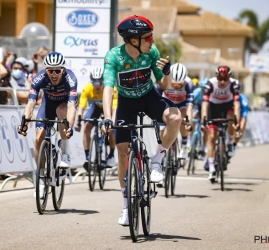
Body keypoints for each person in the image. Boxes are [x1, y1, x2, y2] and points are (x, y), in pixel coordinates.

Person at [101, 15, 181, 226]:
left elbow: (164, 86)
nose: (152, 41)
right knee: (122, 153)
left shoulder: (151, 53)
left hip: (149, 98)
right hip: (126, 104)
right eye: (148, 38)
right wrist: (108, 118)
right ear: (133, 40)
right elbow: (108, 89)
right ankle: (126, 206)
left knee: (175, 118)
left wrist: (167, 73)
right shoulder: (113, 57)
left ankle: (157, 161)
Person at [18, 52, 77, 196]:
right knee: (39, 139)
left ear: (63, 70)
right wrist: (24, 121)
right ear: (46, 70)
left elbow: (71, 107)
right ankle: (41, 178)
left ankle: (65, 153)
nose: (54, 74)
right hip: (47, 105)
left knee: (62, 111)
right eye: (51, 70)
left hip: (65, 104)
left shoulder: (71, 78)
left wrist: (69, 126)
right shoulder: (39, 78)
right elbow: (31, 102)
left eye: (57, 70)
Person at [201, 66, 240, 181]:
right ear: (216, 77)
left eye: (225, 79)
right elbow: (204, 105)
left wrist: (236, 122)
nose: (222, 81)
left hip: (228, 106)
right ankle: (212, 168)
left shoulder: (234, 84)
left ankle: (231, 142)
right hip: (213, 107)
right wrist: (204, 120)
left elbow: (237, 104)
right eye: (220, 78)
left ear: (229, 77)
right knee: (212, 136)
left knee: (231, 117)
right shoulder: (211, 84)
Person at [75, 66, 118, 170]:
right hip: (96, 107)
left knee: (112, 130)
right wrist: (79, 121)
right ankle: (87, 157)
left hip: (109, 108)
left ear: (103, 81)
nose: (97, 86)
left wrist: (112, 121)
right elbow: (81, 106)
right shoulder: (88, 88)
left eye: (99, 82)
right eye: (94, 83)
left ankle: (111, 155)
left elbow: (115, 109)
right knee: (86, 127)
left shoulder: (112, 89)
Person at [155, 62, 193, 158]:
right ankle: (159, 157)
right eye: (173, 83)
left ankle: (184, 144)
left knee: (184, 119)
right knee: (161, 133)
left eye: (180, 84)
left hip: (182, 104)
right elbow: (155, 101)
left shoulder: (188, 83)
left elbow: (190, 106)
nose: (176, 86)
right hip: (168, 104)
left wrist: (189, 122)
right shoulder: (164, 80)